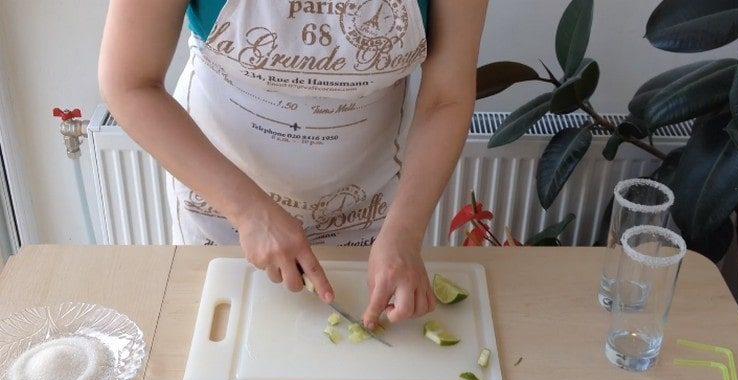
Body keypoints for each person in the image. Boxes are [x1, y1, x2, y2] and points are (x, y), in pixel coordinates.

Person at [99, 0, 488, 330]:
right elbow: (130, 82)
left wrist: (403, 233)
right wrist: (248, 211)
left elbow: (445, 98)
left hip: (371, 205)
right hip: (222, 203)